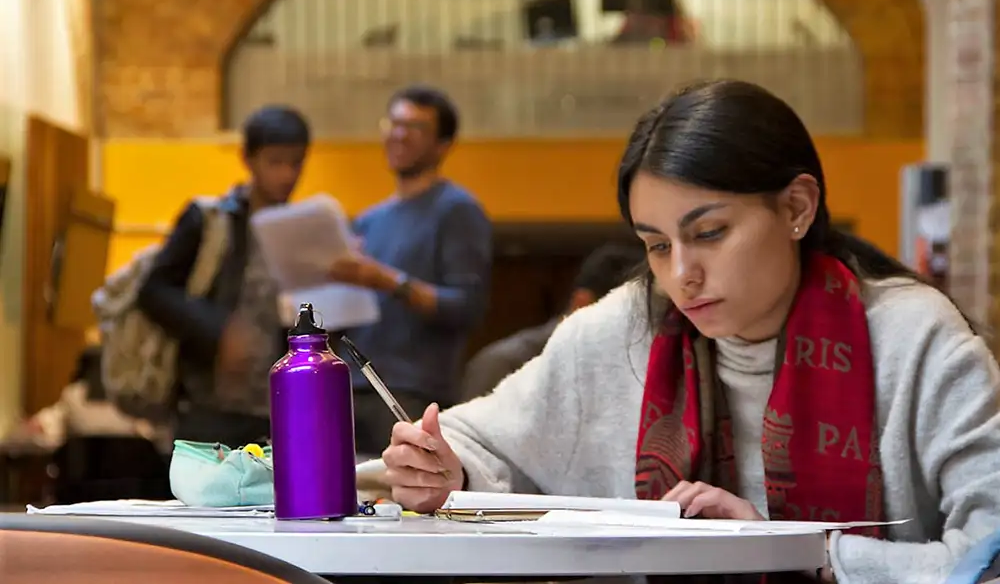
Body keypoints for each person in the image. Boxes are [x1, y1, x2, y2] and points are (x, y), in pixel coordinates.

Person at [382, 80, 1000, 583]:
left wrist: (805, 553)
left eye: (709, 233)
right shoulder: (623, 330)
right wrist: (442, 469)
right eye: (655, 245)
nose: (682, 275)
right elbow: (475, 442)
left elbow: (988, 555)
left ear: (796, 209)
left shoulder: (912, 339)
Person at [329, 85, 492, 456]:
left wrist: (386, 281)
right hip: (348, 388)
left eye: (415, 127)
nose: (399, 134)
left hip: (411, 393)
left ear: (443, 144)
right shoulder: (369, 220)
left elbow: (466, 306)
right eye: (394, 123)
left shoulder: (457, 210)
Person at [137, 106, 311, 447]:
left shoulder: (302, 232)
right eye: (275, 162)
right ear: (247, 158)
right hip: (208, 405)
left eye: (296, 163)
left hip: (277, 408)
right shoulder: (209, 221)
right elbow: (154, 291)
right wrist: (218, 330)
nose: (287, 175)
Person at [459, 242, 643, 402]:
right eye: (629, 317)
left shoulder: (622, 372)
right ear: (583, 303)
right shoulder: (505, 364)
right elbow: (466, 441)